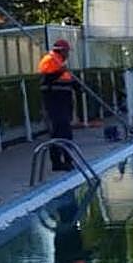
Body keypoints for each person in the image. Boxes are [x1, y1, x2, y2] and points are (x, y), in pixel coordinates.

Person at [38, 40, 78, 170]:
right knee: (57, 133)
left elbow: (67, 80)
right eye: (67, 51)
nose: (68, 54)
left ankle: (68, 160)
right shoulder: (49, 60)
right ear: (61, 50)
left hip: (64, 103)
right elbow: (46, 80)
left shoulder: (60, 63)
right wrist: (60, 72)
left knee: (66, 133)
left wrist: (76, 85)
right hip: (54, 104)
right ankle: (57, 163)